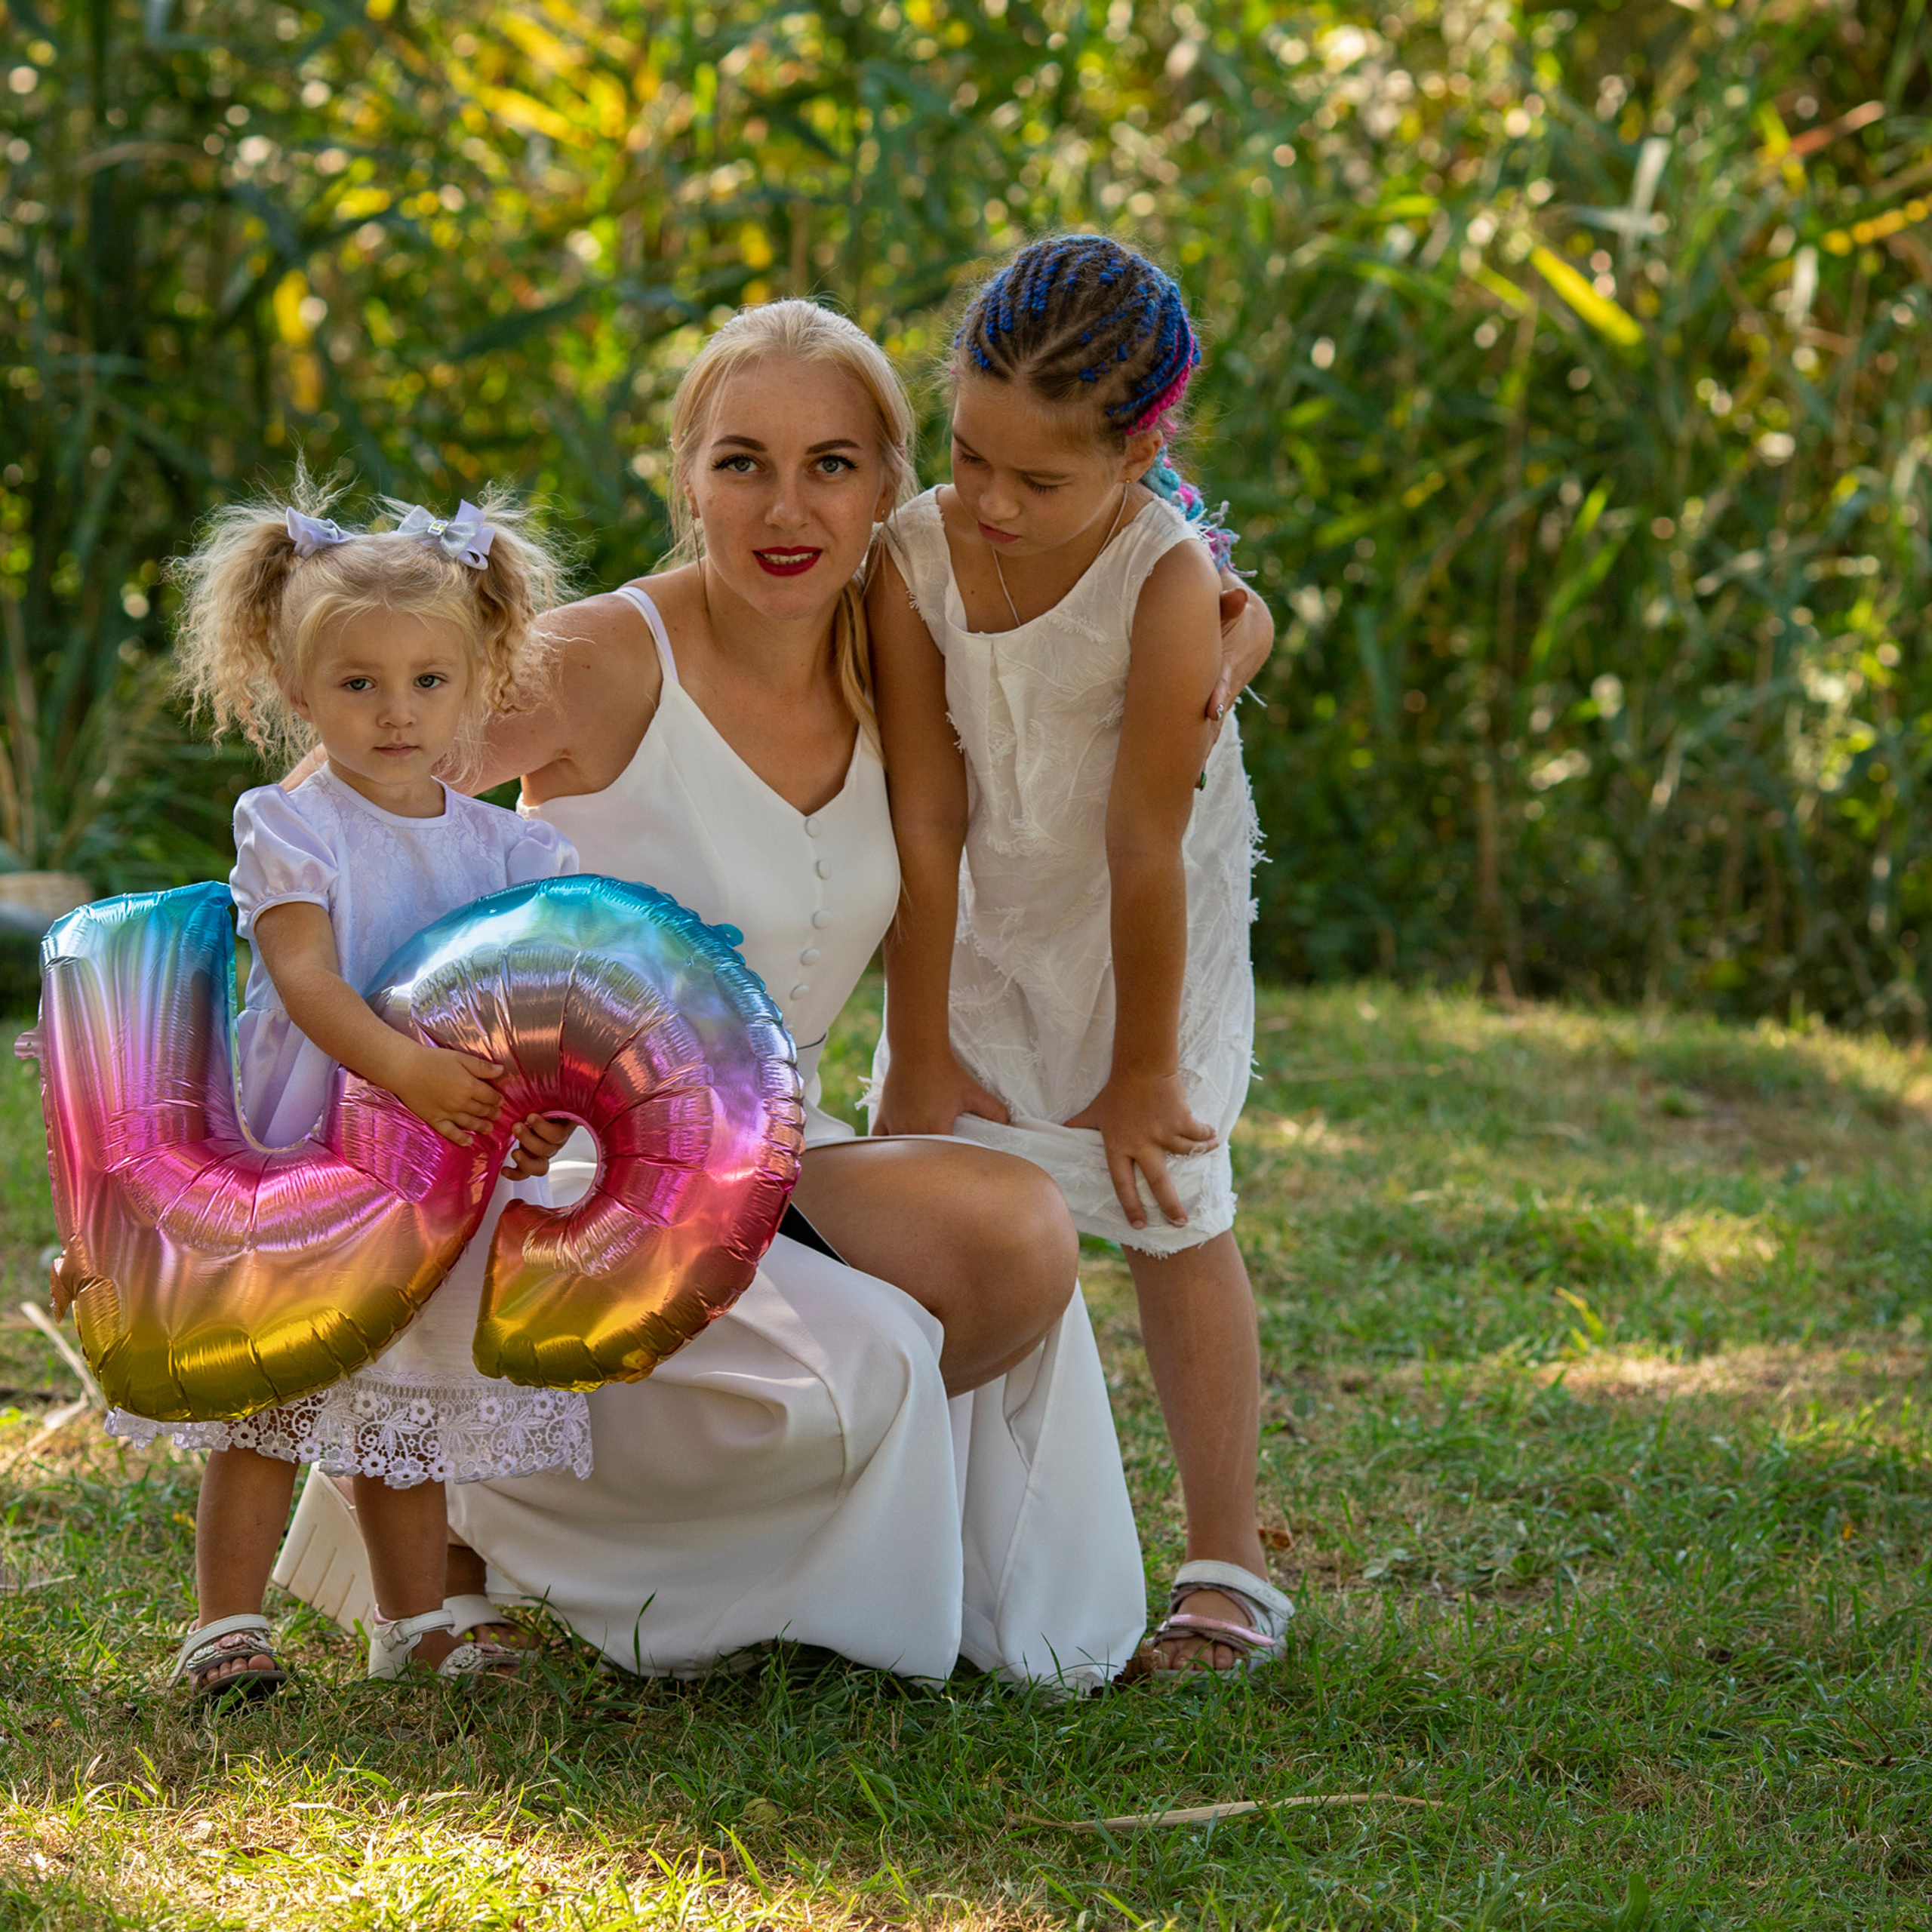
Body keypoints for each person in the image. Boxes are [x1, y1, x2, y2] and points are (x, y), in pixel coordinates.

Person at [278, 300, 1273, 1689]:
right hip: (566, 1178)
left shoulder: (893, 630)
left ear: (891, 488)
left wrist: (1243, 623)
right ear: (685, 475)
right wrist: (405, 1063)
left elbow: (1143, 548)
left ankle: (705, 1537)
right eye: (742, 461)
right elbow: (336, 807)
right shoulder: (603, 658)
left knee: (1014, 1238)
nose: (784, 507)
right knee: (870, 1360)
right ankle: (487, 1507)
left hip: (763, 1164)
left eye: (832, 465)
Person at [867, 235, 1287, 1681]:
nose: (989, 502)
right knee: (931, 1204)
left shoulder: (1164, 584)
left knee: (1170, 1210)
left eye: (1036, 482)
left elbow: (1140, 847)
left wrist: (1140, 1070)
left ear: (1137, 455)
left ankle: (1227, 1566)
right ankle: (926, 1552)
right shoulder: (914, 554)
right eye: (971, 456)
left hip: (1142, 925)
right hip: (979, 905)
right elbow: (923, 816)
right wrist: (918, 1041)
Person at [116, 484, 589, 1700]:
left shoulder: (509, 849)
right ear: (293, 684)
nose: (396, 713)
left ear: (481, 676)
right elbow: (312, 987)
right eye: (359, 684)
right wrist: (418, 1074)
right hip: (305, 1148)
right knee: (270, 1394)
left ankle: (413, 1619)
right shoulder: (289, 825)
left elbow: (530, 1016)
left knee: (403, 1404)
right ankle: (227, 1625)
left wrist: (530, 1114)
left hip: (435, 1169)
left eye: (429, 681)